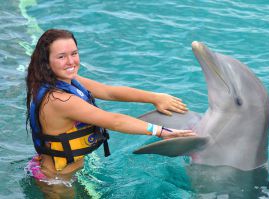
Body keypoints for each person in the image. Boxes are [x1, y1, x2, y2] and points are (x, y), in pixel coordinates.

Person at [25, 29, 195, 193]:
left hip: (66, 169)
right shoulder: (59, 100)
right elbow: (114, 121)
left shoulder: (67, 81)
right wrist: (160, 131)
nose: (71, 61)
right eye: (61, 56)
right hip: (57, 180)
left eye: (74, 53)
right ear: (46, 62)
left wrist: (155, 98)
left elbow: (109, 92)